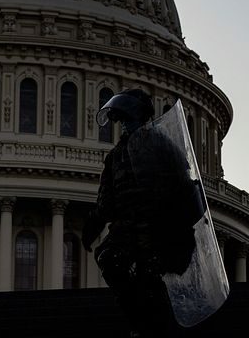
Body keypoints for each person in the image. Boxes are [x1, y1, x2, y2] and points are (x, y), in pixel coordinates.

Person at [81, 89, 198, 337]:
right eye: (121, 120)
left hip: (160, 226)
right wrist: (93, 224)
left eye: (127, 118)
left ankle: (154, 324)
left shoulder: (164, 146)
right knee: (109, 259)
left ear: (141, 117)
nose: (124, 125)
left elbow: (185, 187)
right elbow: (106, 202)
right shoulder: (115, 157)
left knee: (151, 274)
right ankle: (139, 320)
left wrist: (181, 223)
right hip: (128, 229)